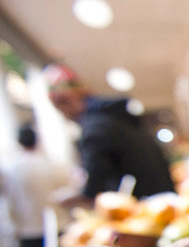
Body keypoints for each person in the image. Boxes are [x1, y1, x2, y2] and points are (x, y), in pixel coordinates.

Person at [43, 64, 175, 204]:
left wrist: (74, 196)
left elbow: (95, 186)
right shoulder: (120, 118)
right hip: (164, 199)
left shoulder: (94, 129)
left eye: (61, 111)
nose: (65, 117)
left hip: (141, 209)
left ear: (66, 103)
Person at [0, 124, 78, 247]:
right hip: (59, 226)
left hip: (28, 232)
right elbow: (70, 192)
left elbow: (9, 204)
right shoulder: (54, 164)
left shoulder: (10, 170)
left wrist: (12, 235)